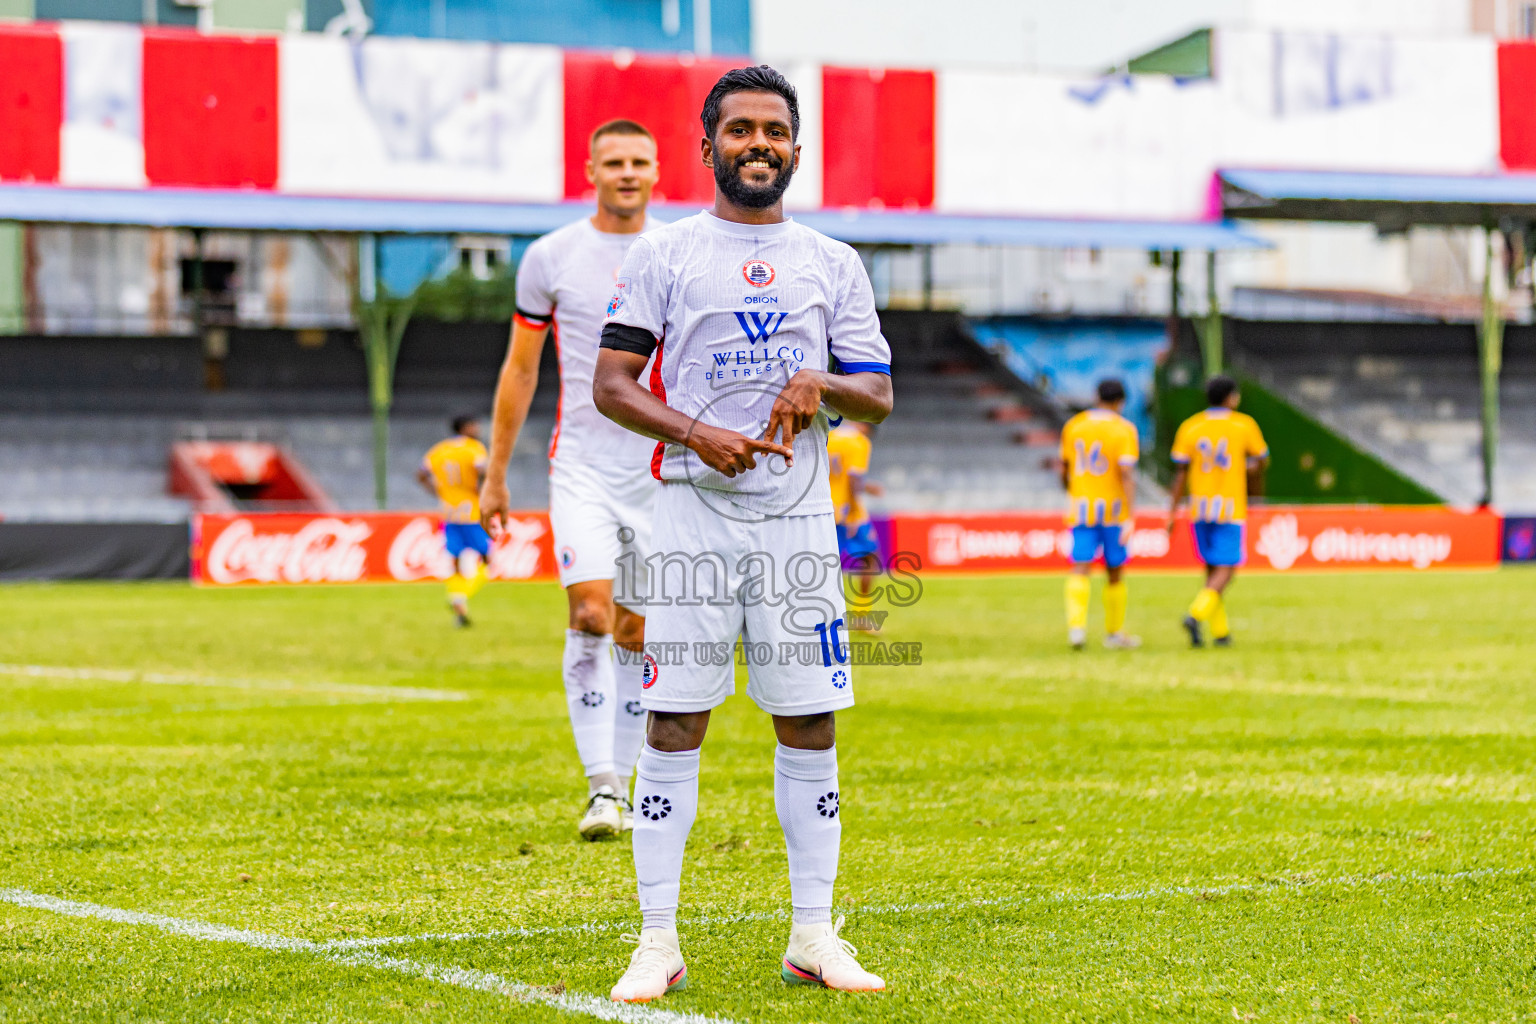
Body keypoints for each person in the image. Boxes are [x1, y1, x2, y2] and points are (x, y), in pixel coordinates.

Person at [591, 65, 893, 1002]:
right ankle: (656, 941)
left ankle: (813, 934)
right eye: (740, 130)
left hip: (799, 524)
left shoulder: (833, 262)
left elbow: (876, 392)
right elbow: (612, 384)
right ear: (708, 142)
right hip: (688, 517)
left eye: (774, 131)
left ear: (796, 149)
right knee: (674, 718)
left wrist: (821, 385)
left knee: (809, 718)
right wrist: (695, 430)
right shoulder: (665, 256)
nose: (758, 144)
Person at [479, 119, 663, 840]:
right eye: (613, 161)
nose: (626, 172)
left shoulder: (676, 250)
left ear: (657, 169)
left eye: (639, 161)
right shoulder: (551, 256)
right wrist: (496, 473)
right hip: (582, 465)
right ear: (589, 168)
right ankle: (602, 788)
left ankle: (633, 781)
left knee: (638, 629)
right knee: (590, 613)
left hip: (657, 469)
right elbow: (521, 367)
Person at [1166, 375, 1270, 647]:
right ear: (1232, 397)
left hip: (1199, 508)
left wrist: (1171, 512)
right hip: (1229, 507)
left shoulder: (1191, 427)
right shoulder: (1243, 425)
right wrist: (1247, 473)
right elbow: (1261, 460)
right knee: (1227, 569)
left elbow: (1180, 473)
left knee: (1211, 571)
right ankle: (1195, 615)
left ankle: (1220, 632)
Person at [1059, 379, 1141, 650]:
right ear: (1122, 401)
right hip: (1113, 512)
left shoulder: (1075, 425)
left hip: (1082, 509)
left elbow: (1065, 467)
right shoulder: (1124, 429)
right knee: (1114, 571)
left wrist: (1073, 490)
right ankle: (1114, 633)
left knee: (1080, 567)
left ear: (1096, 397)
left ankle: (1076, 630)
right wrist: (1130, 514)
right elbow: (1126, 473)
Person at [418, 416, 490, 628]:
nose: (477, 429)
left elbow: (421, 475)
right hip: (472, 513)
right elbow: (483, 471)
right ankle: (461, 597)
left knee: (456, 561)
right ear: (466, 427)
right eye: (474, 425)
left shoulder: (439, 450)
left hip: (449, 514)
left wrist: (438, 492)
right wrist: (485, 491)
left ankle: (457, 601)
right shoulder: (474, 448)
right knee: (487, 559)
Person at [827, 420, 883, 627]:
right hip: (846, 510)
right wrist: (851, 513)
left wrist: (868, 487)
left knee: (825, 564)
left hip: (824, 507)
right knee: (871, 559)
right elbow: (852, 479)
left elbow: (835, 475)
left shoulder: (829, 436)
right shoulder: (859, 442)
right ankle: (861, 615)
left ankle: (820, 615)